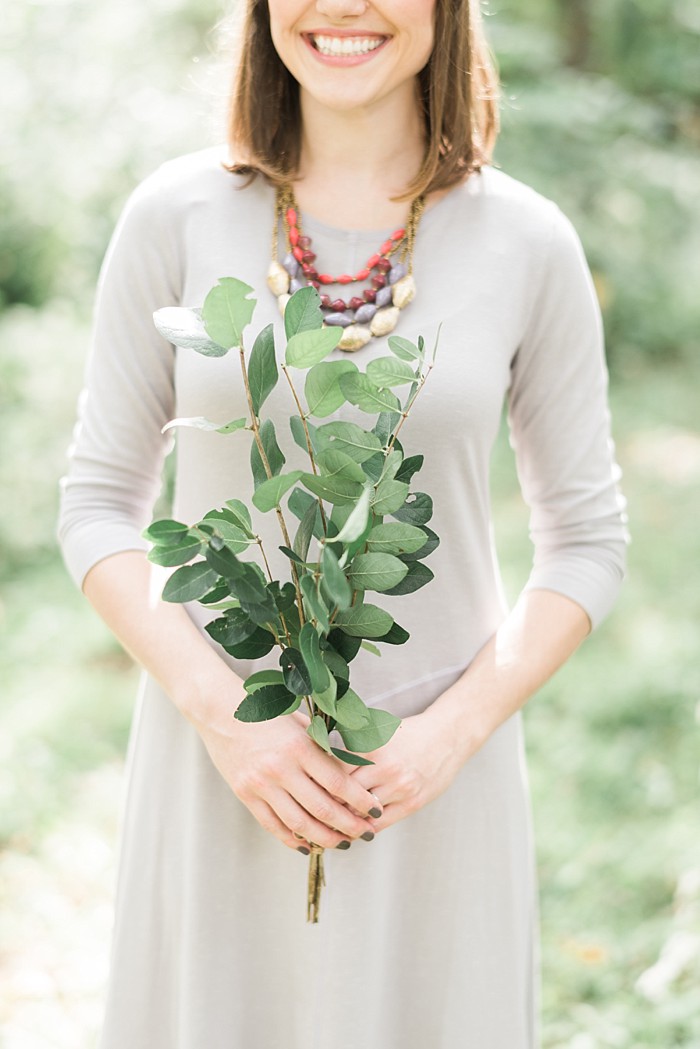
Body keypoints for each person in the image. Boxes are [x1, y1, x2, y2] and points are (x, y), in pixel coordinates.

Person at [58, 1, 628, 1046]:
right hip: (216, 764)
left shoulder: (527, 241)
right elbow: (98, 502)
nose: (345, 6)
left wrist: (444, 737)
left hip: (431, 780)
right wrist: (231, 720)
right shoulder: (174, 215)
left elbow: (587, 541)